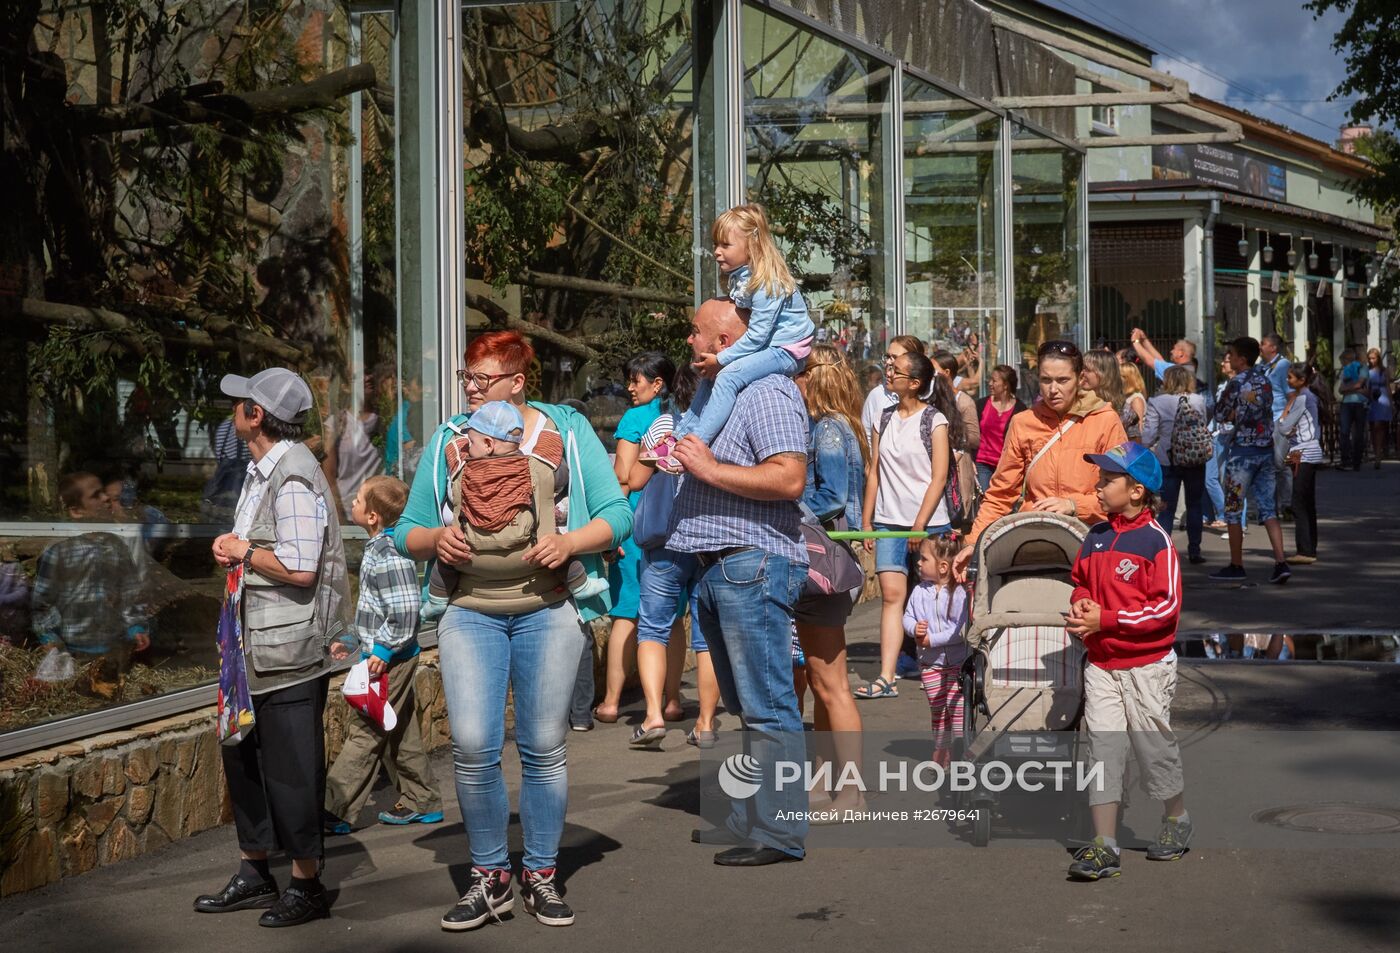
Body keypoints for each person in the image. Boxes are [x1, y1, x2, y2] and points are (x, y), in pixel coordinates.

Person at [396, 331, 630, 929]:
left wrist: (570, 541)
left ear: (517, 381)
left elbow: (618, 515)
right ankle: (490, 876)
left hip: (549, 610)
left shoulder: (568, 434)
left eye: (482, 379)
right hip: (468, 610)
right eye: (467, 379)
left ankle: (543, 874)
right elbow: (408, 530)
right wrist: (434, 540)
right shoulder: (451, 439)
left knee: (543, 747)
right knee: (473, 746)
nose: (470, 390)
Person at [197, 368, 351, 927]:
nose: (233, 409)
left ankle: (307, 883)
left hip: (288, 651)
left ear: (256, 416)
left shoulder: (291, 476)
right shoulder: (262, 471)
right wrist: (237, 550)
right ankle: (255, 870)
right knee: (245, 756)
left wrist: (241, 549)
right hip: (253, 649)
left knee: (290, 767)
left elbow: (301, 567)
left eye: (240, 402)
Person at [668, 297, 810, 867]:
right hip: (718, 565)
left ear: (726, 341)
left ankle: (778, 832)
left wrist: (707, 470)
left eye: (696, 331)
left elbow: (790, 477)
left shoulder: (766, 391)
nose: (689, 340)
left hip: (750, 561)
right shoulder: (719, 390)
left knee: (767, 703)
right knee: (746, 703)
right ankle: (756, 817)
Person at [1065, 441, 1190, 881]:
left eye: (1107, 481)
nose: (1097, 488)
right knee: (1104, 750)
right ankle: (1104, 845)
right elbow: (1080, 582)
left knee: (1152, 749)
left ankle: (1175, 817)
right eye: (1099, 479)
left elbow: (1165, 609)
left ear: (1136, 490)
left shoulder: (1156, 543)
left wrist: (1108, 619)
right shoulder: (1095, 536)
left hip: (1147, 668)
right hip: (1101, 666)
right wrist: (1082, 607)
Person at [323, 476, 443, 833]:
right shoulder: (379, 548)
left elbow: (406, 611)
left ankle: (333, 809)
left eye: (359, 499)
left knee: (366, 730)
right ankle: (423, 799)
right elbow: (379, 606)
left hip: (389, 659)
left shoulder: (389, 553)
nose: (353, 502)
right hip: (384, 654)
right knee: (399, 729)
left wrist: (383, 648)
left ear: (373, 515)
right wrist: (355, 639)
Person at [654, 204, 814, 467]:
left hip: (786, 352)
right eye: (716, 244)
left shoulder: (766, 283)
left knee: (726, 376)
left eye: (725, 245)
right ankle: (680, 437)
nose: (717, 252)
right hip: (769, 347)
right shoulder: (741, 277)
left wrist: (722, 358)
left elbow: (758, 337)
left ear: (751, 246)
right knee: (711, 375)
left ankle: (696, 444)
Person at [954, 340, 1128, 580]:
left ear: (1080, 378)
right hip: (1035, 543)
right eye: (1046, 380)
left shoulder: (1105, 420)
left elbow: (1120, 490)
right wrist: (972, 543)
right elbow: (1001, 494)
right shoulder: (1023, 422)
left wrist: (1074, 505)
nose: (1053, 389)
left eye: (1063, 380)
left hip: (1093, 541)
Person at [421, 401, 600, 619]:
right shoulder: (537, 468)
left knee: (446, 562)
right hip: (533, 551)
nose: (467, 446)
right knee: (557, 552)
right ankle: (580, 586)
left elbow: (453, 449)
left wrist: (454, 432)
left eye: (471, 442)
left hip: (468, 551)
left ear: (488, 444)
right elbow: (557, 465)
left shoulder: (462, 469)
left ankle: (437, 599)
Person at [630, 365, 722, 749]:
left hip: (663, 540)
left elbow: (637, 479)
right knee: (706, 637)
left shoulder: (662, 426)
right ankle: (704, 722)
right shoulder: (718, 425)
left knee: (652, 628)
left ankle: (653, 715)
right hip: (707, 541)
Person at [854, 351, 955, 700]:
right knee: (892, 598)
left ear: (914, 383)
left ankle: (947, 667)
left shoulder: (935, 420)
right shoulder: (883, 416)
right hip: (889, 521)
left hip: (929, 523)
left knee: (936, 595)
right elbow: (874, 470)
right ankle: (887, 675)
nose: (888, 372)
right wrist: (867, 519)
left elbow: (939, 477)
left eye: (896, 370)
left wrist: (919, 525)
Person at [793, 345, 866, 811]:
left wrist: (780, 508)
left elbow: (832, 498)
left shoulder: (829, 430)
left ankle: (853, 791)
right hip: (828, 560)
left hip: (824, 562)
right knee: (822, 685)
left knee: (832, 684)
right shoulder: (836, 427)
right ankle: (824, 782)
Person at [595, 352, 678, 728]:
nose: (629, 387)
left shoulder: (634, 419)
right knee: (672, 616)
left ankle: (612, 701)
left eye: (636, 380)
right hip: (673, 523)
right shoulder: (680, 414)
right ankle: (672, 699)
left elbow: (622, 475)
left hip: (637, 522)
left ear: (656, 383)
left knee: (627, 614)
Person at [32, 473, 150, 698]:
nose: (106, 497)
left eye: (103, 492)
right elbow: (43, 599)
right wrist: (49, 637)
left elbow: (130, 592)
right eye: (96, 495)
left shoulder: (116, 545)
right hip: (72, 650)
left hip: (114, 648)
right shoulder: (60, 550)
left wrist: (135, 626)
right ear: (77, 511)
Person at [1209, 337, 1290, 585]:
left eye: (1232, 354)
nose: (1229, 358)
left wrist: (1234, 413)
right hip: (1265, 448)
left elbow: (1221, 413)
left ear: (1242, 358)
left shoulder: (1236, 383)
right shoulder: (1263, 381)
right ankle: (1280, 561)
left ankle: (1237, 564)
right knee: (1268, 508)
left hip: (1242, 452)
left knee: (1233, 510)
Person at [902, 534, 969, 767]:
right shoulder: (919, 591)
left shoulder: (961, 593)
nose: (918, 563)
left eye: (923, 559)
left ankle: (962, 748)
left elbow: (959, 631)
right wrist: (914, 629)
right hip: (930, 663)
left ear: (942, 567)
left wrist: (932, 640)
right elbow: (907, 617)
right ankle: (942, 748)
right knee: (938, 707)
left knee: (957, 706)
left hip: (958, 661)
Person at [1141, 365, 1209, 565]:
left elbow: (1149, 435)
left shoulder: (1157, 402)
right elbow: (1202, 424)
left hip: (1167, 459)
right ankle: (1195, 549)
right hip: (1194, 458)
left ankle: (1164, 552)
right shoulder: (1198, 400)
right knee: (1194, 504)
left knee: (1166, 507)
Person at [1279, 364, 1322, 565]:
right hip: (1310, 451)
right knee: (1307, 502)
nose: (1288, 381)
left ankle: (1304, 549)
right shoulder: (1309, 397)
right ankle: (1309, 547)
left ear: (1301, 380)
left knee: (1299, 502)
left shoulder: (1302, 398)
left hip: (1302, 453)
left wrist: (1285, 413)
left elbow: (1284, 427)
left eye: (1290, 378)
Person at [860, 334, 925, 450]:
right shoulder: (877, 395)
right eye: (887, 357)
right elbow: (866, 440)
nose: (888, 362)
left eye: (895, 357)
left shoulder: (929, 395)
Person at [974, 365, 1025, 491]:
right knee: (986, 502)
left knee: (1006, 504)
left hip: (1005, 465)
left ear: (1006, 385)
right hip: (983, 463)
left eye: (994, 381)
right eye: (990, 380)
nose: (990, 383)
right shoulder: (981, 405)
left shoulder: (1020, 410)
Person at [1259, 334, 1293, 515]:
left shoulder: (1283, 366)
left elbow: (1291, 394)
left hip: (1278, 418)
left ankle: (1286, 504)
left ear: (1273, 348)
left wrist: (1285, 418)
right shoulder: (1264, 367)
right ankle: (1272, 505)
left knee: (1280, 463)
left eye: (1263, 344)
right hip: (1266, 422)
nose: (1260, 346)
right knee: (1269, 465)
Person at [934, 351, 981, 454]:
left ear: (946, 372)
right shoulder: (929, 399)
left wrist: (948, 432)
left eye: (934, 371)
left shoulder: (964, 402)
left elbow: (974, 439)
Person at [1337, 349, 1368, 470]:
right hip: (1346, 403)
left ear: (1347, 359)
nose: (1342, 364)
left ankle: (1356, 461)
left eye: (1343, 361)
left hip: (1360, 403)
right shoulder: (1345, 371)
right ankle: (1346, 460)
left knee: (1358, 433)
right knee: (1344, 432)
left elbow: (1360, 384)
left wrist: (1349, 388)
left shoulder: (1362, 368)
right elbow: (1340, 389)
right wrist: (1354, 388)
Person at [1129, 329, 1197, 381]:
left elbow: (1150, 361)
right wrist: (1144, 339)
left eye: (1174, 349)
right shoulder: (1187, 368)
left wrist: (1135, 341)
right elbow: (1160, 361)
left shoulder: (1177, 371)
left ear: (1181, 353)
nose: (1171, 351)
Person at [1366, 348, 1393, 469]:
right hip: (1371, 398)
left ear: (1378, 358)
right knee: (1373, 427)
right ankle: (1377, 450)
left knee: (1379, 426)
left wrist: (1391, 402)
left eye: (1374, 358)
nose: (1372, 361)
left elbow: (1388, 386)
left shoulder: (1384, 370)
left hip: (1382, 398)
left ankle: (1378, 455)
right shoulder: (1367, 370)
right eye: (1370, 358)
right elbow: (1365, 386)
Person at [1119, 362, 1148, 444]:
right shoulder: (1127, 397)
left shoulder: (1136, 399)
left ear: (1128, 378)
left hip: (1132, 445)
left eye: (1120, 376)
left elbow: (1138, 429)